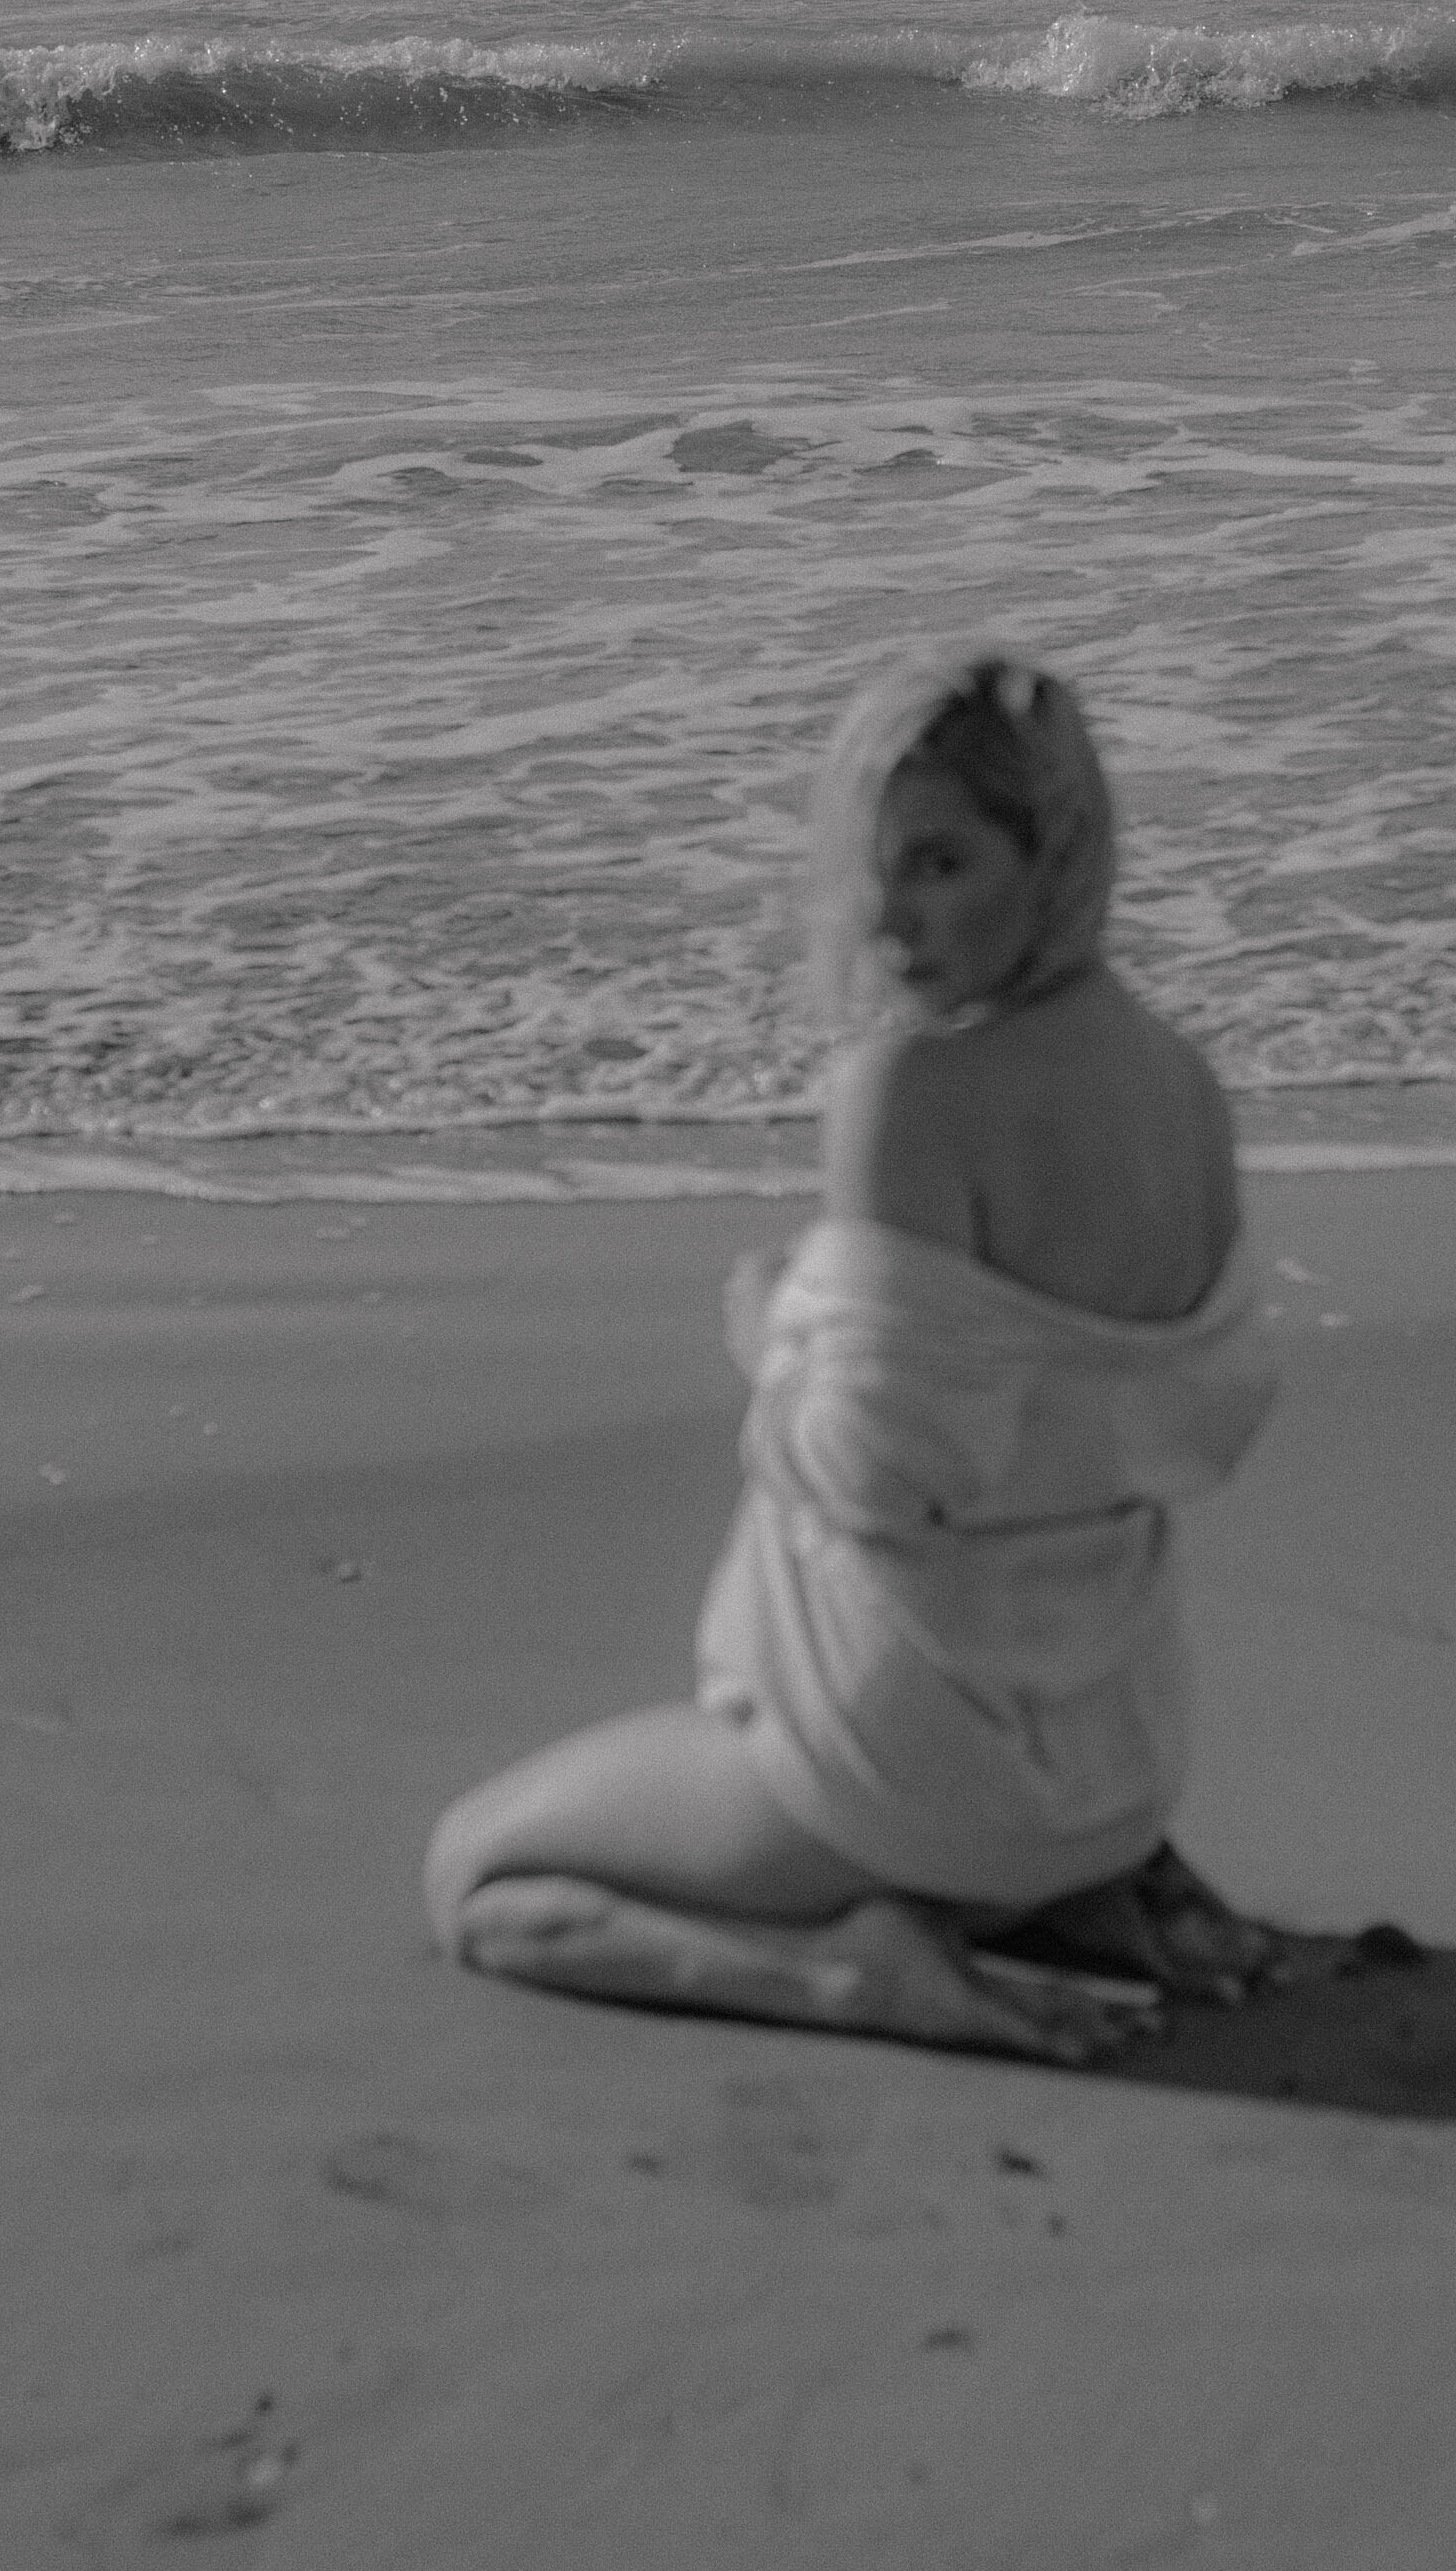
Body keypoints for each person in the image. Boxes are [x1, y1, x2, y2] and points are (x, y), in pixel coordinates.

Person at [423, 648, 1283, 2063]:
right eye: (875, 868)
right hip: (1122, 1766)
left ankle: (846, 1973)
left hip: (915, 1768)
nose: (888, 918)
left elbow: (885, 1479)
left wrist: (775, 1341)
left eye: (940, 863)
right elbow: (1202, 1424)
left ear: (1052, 853)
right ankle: (1063, 1898)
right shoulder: (1179, 1081)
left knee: (477, 1878)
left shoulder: (913, 1090)